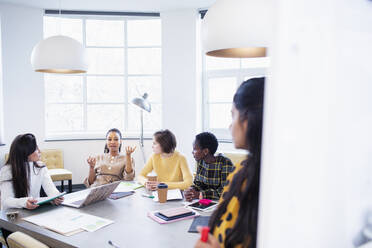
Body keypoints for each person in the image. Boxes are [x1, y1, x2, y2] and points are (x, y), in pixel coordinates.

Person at [195, 77, 265, 248]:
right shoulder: (242, 171)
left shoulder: (255, 179)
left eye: (233, 115)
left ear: (247, 120)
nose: (230, 126)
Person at [0, 133, 64, 210]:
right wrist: (24, 202)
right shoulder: (7, 171)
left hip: (34, 210)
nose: (40, 151)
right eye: (36, 149)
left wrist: (56, 197)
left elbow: (51, 190)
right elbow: (6, 201)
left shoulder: (40, 167)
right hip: (13, 214)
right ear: (26, 152)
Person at [184, 132, 234, 201]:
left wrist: (201, 194)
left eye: (195, 149)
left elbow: (225, 192)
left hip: (221, 203)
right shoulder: (200, 161)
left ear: (205, 151)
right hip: (205, 202)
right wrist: (191, 190)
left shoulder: (225, 163)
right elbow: (198, 184)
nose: (192, 152)